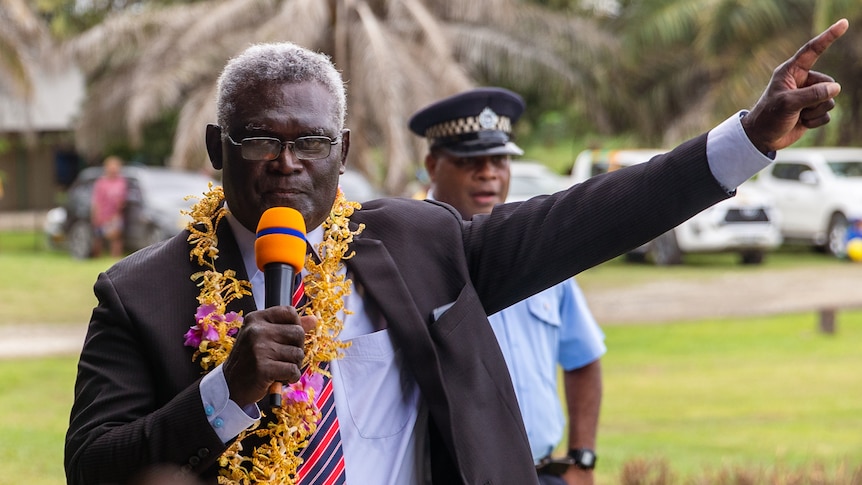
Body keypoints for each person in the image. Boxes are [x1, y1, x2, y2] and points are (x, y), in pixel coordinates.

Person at [65, 18, 849, 485]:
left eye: (308, 141)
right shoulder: (142, 294)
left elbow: (591, 216)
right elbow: (93, 464)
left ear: (341, 150)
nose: (284, 161)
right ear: (216, 146)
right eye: (259, 138)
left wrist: (747, 137)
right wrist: (224, 391)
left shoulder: (420, 240)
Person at [410, 87, 605, 485]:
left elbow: (583, 356)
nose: (488, 172)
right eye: (470, 161)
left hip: (543, 474)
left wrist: (582, 457)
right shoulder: (406, 253)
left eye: (499, 159)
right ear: (432, 165)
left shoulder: (537, 249)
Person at [90, 155, 128, 257]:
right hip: (102, 215)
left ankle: (115, 257)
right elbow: (96, 201)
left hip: (115, 215)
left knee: (116, 237)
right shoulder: (101, 183)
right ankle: (97, 257)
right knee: (98, 238)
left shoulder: (121, 182)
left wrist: (118, 210)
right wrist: (96, 215)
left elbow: (123, 200)